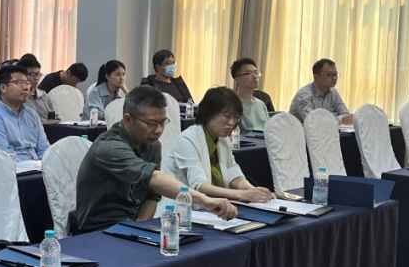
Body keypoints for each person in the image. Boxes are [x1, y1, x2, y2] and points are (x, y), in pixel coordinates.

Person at [70, 86, 238, 235]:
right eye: (151, 123)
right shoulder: (109, 146)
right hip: (96, 231)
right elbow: (153, 178)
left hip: (128, 226)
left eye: (162, 122)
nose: (158, 130)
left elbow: (152, 194)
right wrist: (205, 200)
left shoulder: (153, 146)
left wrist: (140, 229)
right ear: (128, 120)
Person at [165, 87, 275, 203]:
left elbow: (233, 171)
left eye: (236, 118)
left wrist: (254, 191)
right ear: (208, 113)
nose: (231, 123)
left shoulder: (223, 139)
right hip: (181, 207)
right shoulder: (187, 140)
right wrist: (243, 194)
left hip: (213, 206)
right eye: (227, 116)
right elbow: (201, 186)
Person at [0, 66, 50, 160]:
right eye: (19, 83)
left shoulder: (32, 115)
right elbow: (3, 157)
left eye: (27, 83)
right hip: (13, 167)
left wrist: (46, 164)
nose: (26, 88)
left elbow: (44, 148)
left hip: (37, 166)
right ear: (3, 88)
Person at [289, 59, 352, 124]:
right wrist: (340, 120)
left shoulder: (333, 93)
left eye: (335, 74)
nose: (334, 78)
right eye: (329, 74)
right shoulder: (303, 95)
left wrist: (340, 119)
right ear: (316, 77)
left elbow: (346, 115)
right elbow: (312, 120)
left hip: (325, 129)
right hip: (300, 130)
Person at [230, 58, 275, 132]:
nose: (255, 76)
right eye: (248, 73)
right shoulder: (232, 103)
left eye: (256, 72)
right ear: (238, 79)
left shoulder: (261, 104)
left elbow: (269, 130)